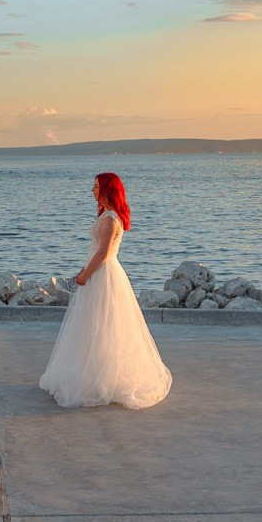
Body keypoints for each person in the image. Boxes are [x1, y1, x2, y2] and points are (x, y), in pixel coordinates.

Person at [39, 171, 172, 409]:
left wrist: (85, 276)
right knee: (93, 325)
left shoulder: (111, 218)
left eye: (97, 187)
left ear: (108, 190)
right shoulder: (106, 215)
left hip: (104, 275)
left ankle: (105, 379)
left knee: (104, 325)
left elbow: (104, 253)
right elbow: (96, 250)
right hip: (98, 271)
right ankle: (94, 374)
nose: (93, 191)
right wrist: (83, 270)